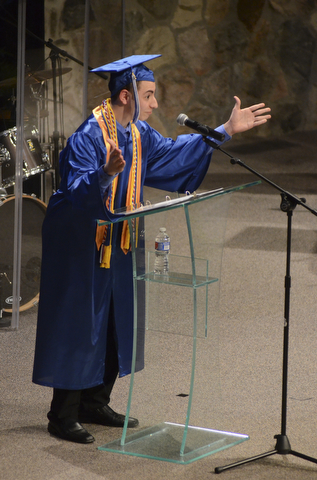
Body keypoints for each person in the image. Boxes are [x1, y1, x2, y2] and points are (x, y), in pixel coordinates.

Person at [32, 54, 271, 444]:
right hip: (80, 241)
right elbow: (75, 194)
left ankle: (95, 400)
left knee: (115, 317)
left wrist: (225, 129)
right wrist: (105, 173)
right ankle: (62, 414)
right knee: (81, 324)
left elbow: (173, 155)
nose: (156, 104)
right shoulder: (90, 137)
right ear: (126, 96)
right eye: (150, 95)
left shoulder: (137, 134)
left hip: (121, 238)